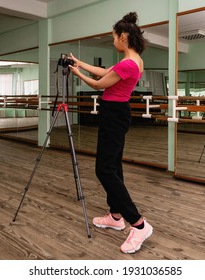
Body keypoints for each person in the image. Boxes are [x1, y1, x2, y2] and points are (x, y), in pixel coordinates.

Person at [69, 12, 153, 254]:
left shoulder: (128, 63)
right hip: (116, 112)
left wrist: (77, 74)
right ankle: (116, 216)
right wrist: (80, 62)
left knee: (104, 169)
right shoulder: (133, 60)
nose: (112, 41)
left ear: (123, 37)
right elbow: (104, 71)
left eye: (114, 37)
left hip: (114, 114)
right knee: (113, 166)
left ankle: (138, 224)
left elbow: (98, 83)